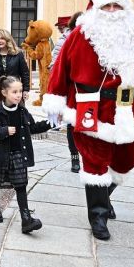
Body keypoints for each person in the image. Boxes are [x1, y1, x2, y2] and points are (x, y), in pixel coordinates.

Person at [44, 0, 134, 241]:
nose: (113, 11)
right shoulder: (79, 36)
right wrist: (56, 104)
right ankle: (98, 216)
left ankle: (104, 195)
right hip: (93, 108)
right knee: (94, 162)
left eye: (117, 6)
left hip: (130, 109)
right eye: (107, 6)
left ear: (126, 9)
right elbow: (60, 71)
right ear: (97, 8)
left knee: (129, 158)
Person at [0, 76, 50, 233]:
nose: (18, 94)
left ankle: (26, 219)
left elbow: (32, 128)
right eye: (14, 92)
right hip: (0, 154)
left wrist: (50, 122)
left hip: (19, 153)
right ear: (4, 93)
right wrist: (4, 131)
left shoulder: (22, 110)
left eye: (20, 91)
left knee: (21, 185)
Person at [51, 12, 82, 173]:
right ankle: (74, 156)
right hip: (72, 88)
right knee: (72, 123)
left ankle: (89, 153)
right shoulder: (65, 40)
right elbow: (55, 64)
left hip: (90, 90)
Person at [0, 29, 30, 102]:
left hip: (15, 89)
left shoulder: (18, 54)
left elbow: (25, 73)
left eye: (2, 38)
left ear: (7, 39)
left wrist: (25, 90)